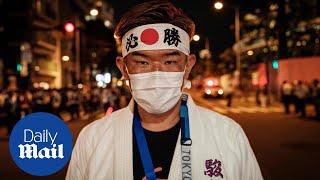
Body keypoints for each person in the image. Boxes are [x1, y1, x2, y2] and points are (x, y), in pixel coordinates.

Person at [66, 1, 263, 179]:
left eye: (170, 61)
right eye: (142, 62)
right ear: (123, 68)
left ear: (188, 66)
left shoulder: (228, 135)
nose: (157, 73)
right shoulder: (92, 139)